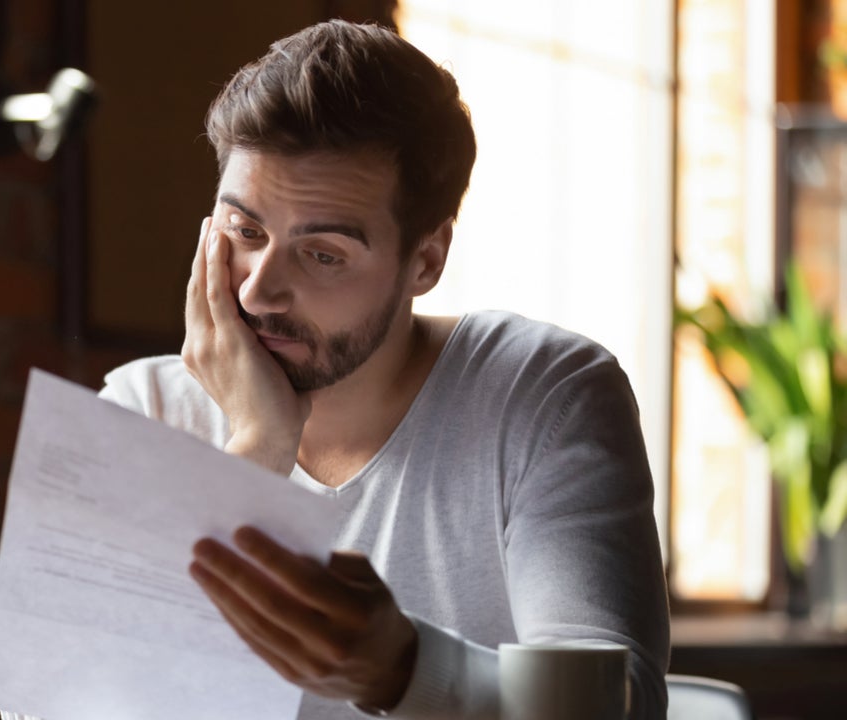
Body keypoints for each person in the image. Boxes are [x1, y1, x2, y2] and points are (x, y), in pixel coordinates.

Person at [98, 19, 669, 720]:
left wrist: (403, 671)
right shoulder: (144, 406)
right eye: (245, 233)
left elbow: (619, 703)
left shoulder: (544, 394)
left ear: (425, 261)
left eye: (323, 254)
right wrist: (255, 452)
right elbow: (66, 701)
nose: (255, 291)